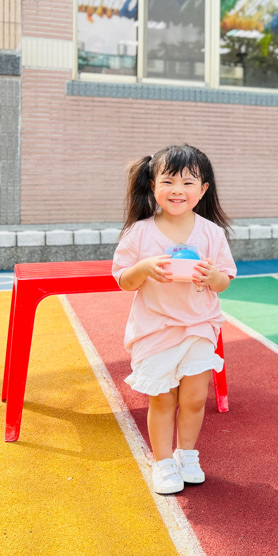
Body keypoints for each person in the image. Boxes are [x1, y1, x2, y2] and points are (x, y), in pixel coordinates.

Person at [112, 144, 237, 494]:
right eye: (168, 181)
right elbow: (123, 280)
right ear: (153, 185)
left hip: (198, 327)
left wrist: (212, 277)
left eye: (188, 182)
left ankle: (187, 454)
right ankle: (163, 462)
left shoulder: (211, 233)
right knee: (163, 399)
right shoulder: (139, 233)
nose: (177, 190)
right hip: (156, 329)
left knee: (195, 398)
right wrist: (143, 268)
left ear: (203, 189)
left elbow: (225, 281)